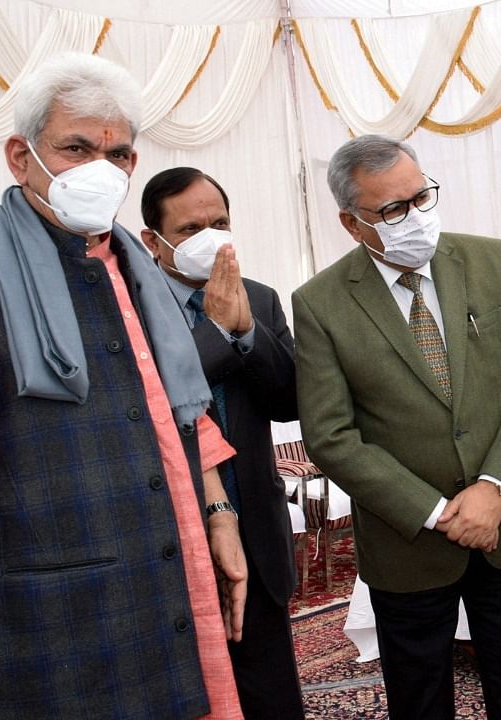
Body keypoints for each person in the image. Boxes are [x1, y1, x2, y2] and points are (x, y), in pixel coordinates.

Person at [0, 53, 247, 719]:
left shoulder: (137, 272)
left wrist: (218, 515)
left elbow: (179, 419)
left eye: (119, 153)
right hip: (51, 625)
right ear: (21, 156)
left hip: (165, 593)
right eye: (76, 147)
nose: (101, 169)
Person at [293, 134, 501, 719]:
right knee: (419, 700)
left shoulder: (490, 260)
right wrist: (439, 512)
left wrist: (493, 489)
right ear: (351, 222)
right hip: (406, 542)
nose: (414, 218)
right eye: (391, 209)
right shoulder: (320, 303)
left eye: (421, 198)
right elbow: (331, 435)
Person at [141, 167, 305, 719]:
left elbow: (289, 401)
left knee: (270, 692)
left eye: (221, 223)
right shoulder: (131, 309)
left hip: (255, 523)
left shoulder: (258, 296)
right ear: (152, 241)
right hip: (172, 531)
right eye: (190, 229)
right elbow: (158, 404)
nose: (209, 238)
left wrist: (247, 333)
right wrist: (216, 332)